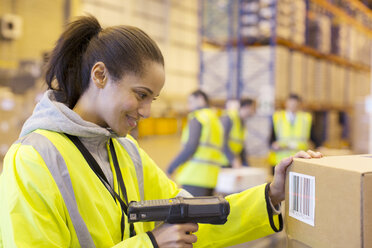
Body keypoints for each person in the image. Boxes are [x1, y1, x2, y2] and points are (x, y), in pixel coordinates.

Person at [0, 16, 322, 248]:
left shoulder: (127, 154)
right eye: (140, 95)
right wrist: (151, 244)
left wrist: (272, 195)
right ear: (100, 75)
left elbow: (194, 222)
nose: (146, 112)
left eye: (152, 99)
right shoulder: (33, 159)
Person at [167, 90, 227, 196]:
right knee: (203, 211)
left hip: (194, 176)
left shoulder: (199, 117)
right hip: (211, 177)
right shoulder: (215, 120)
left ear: (200, 99)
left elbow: (190, 147)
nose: (188, 105)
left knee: (191, 211)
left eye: (190, 101)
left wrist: (171, 167)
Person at [269, 93, 313, 175]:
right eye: (291, 103)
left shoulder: (306, 118)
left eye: (295, 104)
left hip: (300, 160)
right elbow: (271, 140)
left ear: (299, 104)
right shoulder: (277, 117)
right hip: (280, 160)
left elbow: (313, 138)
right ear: (286, 104)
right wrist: (274, 145)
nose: (293, 106)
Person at [221, 98, 255, 168]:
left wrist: (246, 164)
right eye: (253, 108)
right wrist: (232, 159)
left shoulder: (242, 123)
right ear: (247, 107)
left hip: (231, 163)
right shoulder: (229, 118)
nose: (254, 111)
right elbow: (222, 140)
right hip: (222, 163)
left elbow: (241, 146)